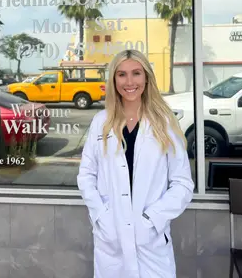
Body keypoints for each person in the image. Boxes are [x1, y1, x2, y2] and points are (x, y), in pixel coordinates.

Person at [77, 49, 194, 278]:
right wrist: (102, 216)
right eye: (121, 74)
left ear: (147, 77)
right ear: (113, 80)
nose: (129, 82)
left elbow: (182, 184)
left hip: (151, 242)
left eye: (136, 73)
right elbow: (86, 175)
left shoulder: (165, 123)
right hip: (111, 239)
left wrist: (152, 219)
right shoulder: (101, 122)